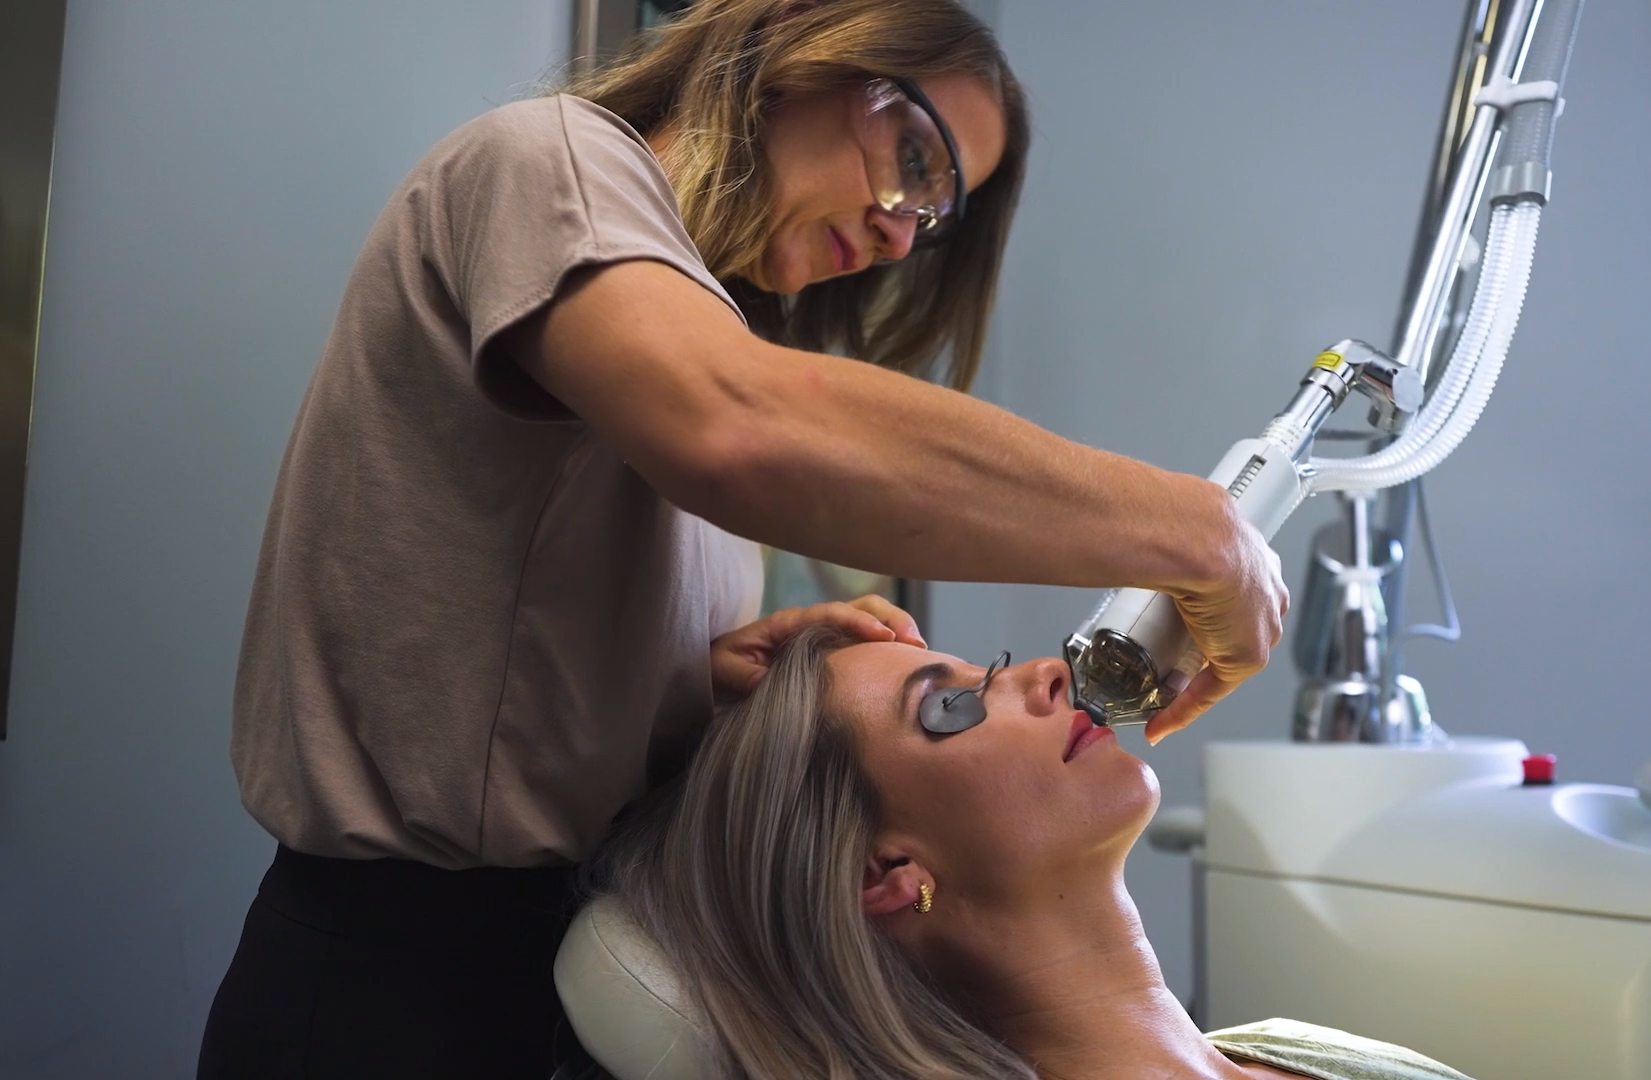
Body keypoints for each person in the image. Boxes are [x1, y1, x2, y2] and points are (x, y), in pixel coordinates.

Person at [199, 1, 1287, 1077]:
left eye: (938, 213)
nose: (903, 232)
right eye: (915, 157)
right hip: (396, 986)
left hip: (543, 968)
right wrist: (1188, 530)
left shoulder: (704, 320)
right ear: (799, 48)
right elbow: (732, 427)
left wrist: (687, 682)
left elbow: (503, 620)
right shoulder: (552, 160)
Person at [589, 625, 1475, 1080]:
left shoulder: (1298, 1044)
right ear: (884, 874)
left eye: (988, 671)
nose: (1050, 672)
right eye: (952, 706)